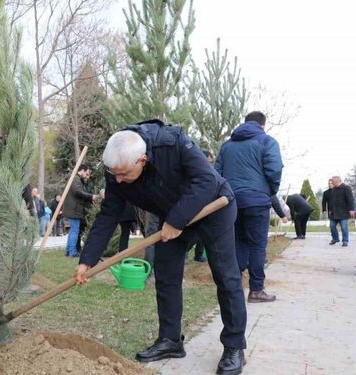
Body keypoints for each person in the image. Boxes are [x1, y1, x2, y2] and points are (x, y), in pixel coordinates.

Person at [76, 119, 247, 375]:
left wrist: (177, 220)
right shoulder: (116, 169)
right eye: (114, 174)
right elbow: (108, 214)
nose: (119, 180)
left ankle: (234, 346)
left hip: (213, 208)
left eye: (123, 174)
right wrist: (87, 259)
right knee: (165, 276)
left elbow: (206, 181)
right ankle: (170, 341)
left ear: (142, 160)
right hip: (171, 217)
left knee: (225, 275)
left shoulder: (172, 142)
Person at [215, 111, 283, 303]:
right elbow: (275, 169)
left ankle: (233, 290)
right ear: (263, 125)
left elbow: (216, 174)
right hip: (257, 201)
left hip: (230, 202)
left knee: (237, 243)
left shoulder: (227, 146)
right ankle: (256, 290)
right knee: (257, 246)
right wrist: (269, 190)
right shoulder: (267, 141)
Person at [63, 165, 98, 257]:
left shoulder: (77, 179)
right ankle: (72, 252)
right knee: (75, 230)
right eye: (86, 173)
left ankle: (68, 250)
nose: (87, 176)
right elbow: (77, 192)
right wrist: (91, 196)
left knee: (73, 230)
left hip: (74, 208)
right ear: (82, 170)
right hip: (74, 209)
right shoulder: (75, 179)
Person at [327, 176, 355, 247]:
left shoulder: (346, 188)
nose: (331, 183)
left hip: (343, 212)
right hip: (334, 212)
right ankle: (335, 238)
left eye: (332, 182)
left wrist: (351, 209)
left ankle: (345, 241)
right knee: (332, 226)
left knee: (343, 227)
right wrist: (330, 210)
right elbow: (331, 201)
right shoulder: (333, 189)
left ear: (336, 181)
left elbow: (350, 199)